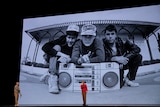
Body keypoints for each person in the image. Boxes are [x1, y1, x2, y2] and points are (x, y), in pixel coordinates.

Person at [40, 24, 80, 94]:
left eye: (73, 38)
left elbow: (75, 58)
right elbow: (45, 47)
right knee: (57, 47)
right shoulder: (61, 39)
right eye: (69, 37)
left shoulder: (78, 43)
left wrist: (69, 59)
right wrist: (61, 54)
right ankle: (52, 76)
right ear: (66, 36)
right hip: (55, 59)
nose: (70, 40)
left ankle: (48, 73)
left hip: (66, 64)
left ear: (76, 38)